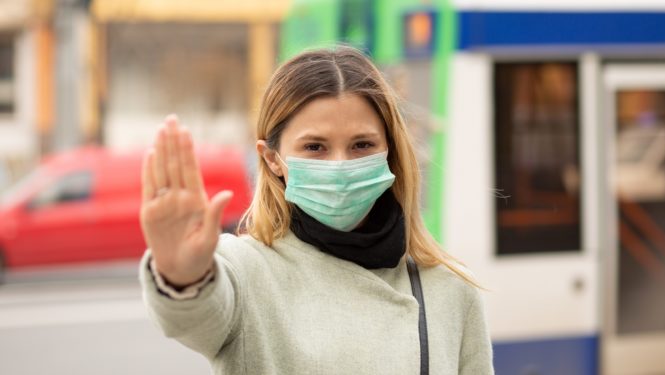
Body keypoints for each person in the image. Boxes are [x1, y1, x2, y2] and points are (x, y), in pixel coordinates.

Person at [139, 46, 493, 374]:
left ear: (390, 150)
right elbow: (195, 319)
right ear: (272, 158)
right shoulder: (246, 271)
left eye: (362, 144)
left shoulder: (449, 288)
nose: (340, 165)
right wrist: (182, 278)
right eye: (315, 147)